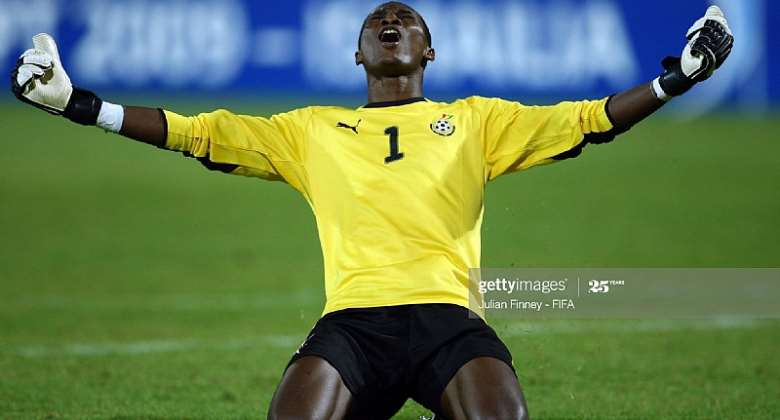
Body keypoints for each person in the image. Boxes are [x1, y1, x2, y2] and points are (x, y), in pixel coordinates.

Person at [10, 2, 733, 419]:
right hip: (352, 325)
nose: (391, 21)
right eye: (378, 21)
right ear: (358, 54)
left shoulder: (475, 122)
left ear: (430, 49)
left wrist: (676, 81)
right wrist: (78, 105)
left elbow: (587, 120)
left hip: (450, 320)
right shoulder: (308, 130)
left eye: (407, 19)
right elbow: (195, 133)